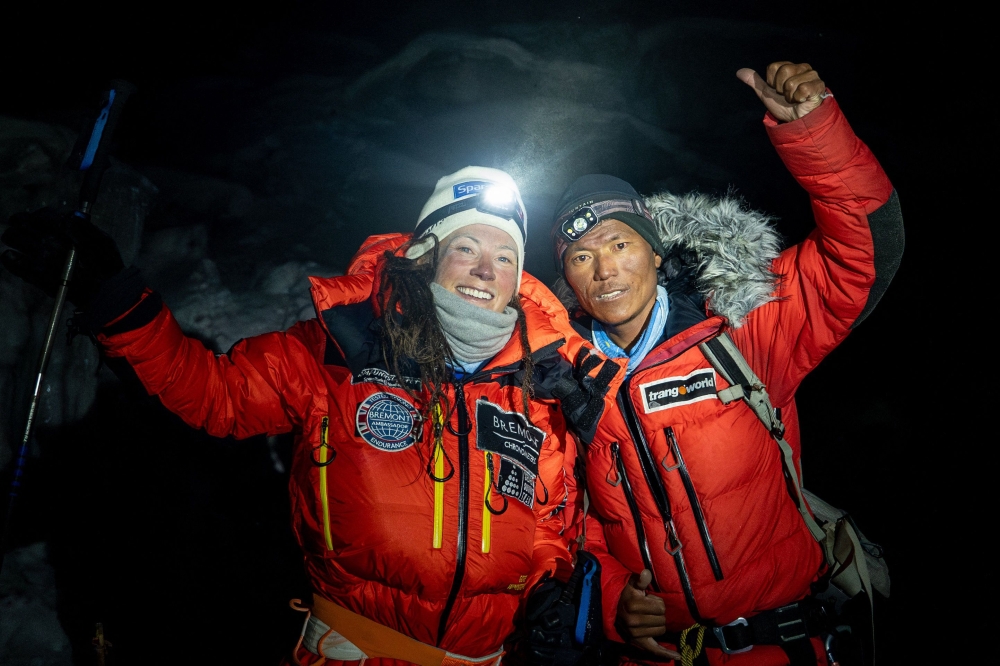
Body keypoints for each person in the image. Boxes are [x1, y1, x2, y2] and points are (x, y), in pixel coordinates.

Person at [1, 166, 622, 665]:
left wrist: (548, 586)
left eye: (506, 257)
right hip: (353, 649)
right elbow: (215, 395)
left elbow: (550, 518)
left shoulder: (538, 388)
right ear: (425, 256)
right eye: (467, 247)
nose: (487, 269)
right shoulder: (340, 351)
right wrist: (116, 300)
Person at [549, 62, 903, 665]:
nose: (605, 270)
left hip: (781, 645)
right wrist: (613, 600)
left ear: (654, 252)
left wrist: (815, 131)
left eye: (620, 244)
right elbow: (568, 523)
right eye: (581, 257)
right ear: (568, 280)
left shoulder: (742, 327)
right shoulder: (565, 383)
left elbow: (860, 254)